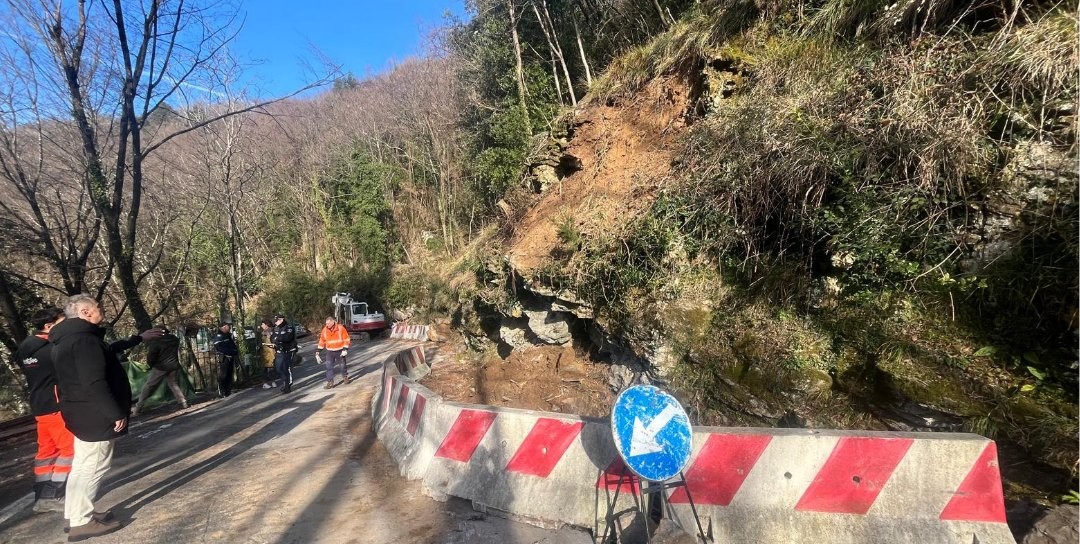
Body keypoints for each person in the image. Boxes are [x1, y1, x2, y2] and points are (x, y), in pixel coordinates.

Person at [49, 294, 130, 541]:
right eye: (97, 307)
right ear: (85, 312)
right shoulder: (84, 341)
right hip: (95, 414)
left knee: (82, 465)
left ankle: (75, 513)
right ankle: (82, 521)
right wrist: (114, 412)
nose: (101, 309)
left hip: (80, 412)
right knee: (94, 466)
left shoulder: (64, 339)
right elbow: (93, 382)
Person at [15, 308, 70, 513]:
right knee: (68, 451)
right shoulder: (50, 349)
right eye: (62, 322)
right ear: (49, 326)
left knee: (46, 452)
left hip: (39, 405)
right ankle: (54, 494)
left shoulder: (25, 348)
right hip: (55, 405)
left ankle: (41, 494)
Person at [131, 325, 187, 417]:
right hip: (173, 365)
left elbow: (151, 356)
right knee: (173, 384)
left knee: (148, 386)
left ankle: (138, 408)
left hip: (161, 367)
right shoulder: (175, 339)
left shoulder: (156, 342)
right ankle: (183, 402)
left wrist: (150, 365)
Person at [315, 316, 351, 389]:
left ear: (333, 322)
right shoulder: (325, 330)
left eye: (328, 323)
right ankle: (330, 382)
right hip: (330, 351)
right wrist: (318, 351)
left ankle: (345, 377)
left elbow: (346, 339)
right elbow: (322, 341)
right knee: (328, 367)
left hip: (340, 350)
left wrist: (345, 349)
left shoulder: (340, 328)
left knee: (342, 365)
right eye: (326, 323)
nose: (327, 325)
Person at [270, 315, 296, 394]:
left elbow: (287, 338)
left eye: (277, 320)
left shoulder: (289, 327)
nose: (276, 322)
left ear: (282, 320)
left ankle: (287, 385)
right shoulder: (276, 328)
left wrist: (277, 338)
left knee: (286, 368)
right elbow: (272, 338)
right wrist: (277, 339)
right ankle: (285, 382)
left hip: (288, 351)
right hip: (279, 351)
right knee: (278, 368)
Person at [212, 323, 238, 398]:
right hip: (224, 357)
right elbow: (219, 347)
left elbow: (232, 345)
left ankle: (228, 390)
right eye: (227, 327)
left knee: (230, 374)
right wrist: (229, 351)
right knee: (224, 374)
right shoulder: (219, 336)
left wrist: (234, 351)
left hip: (230, 356)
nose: (229, 328)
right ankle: (222, 391)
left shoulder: (228, 335)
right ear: (222, 328)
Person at [259, 320, 276, 389]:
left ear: (266, 325)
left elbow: (271, 341)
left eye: (262, 324)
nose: (261, 326)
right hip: (265, 353)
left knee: (270, 368)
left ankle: (272, 382)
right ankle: (266, 383)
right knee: (265, 369)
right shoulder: (263, 333)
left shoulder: (270, 331)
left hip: (270, 352)